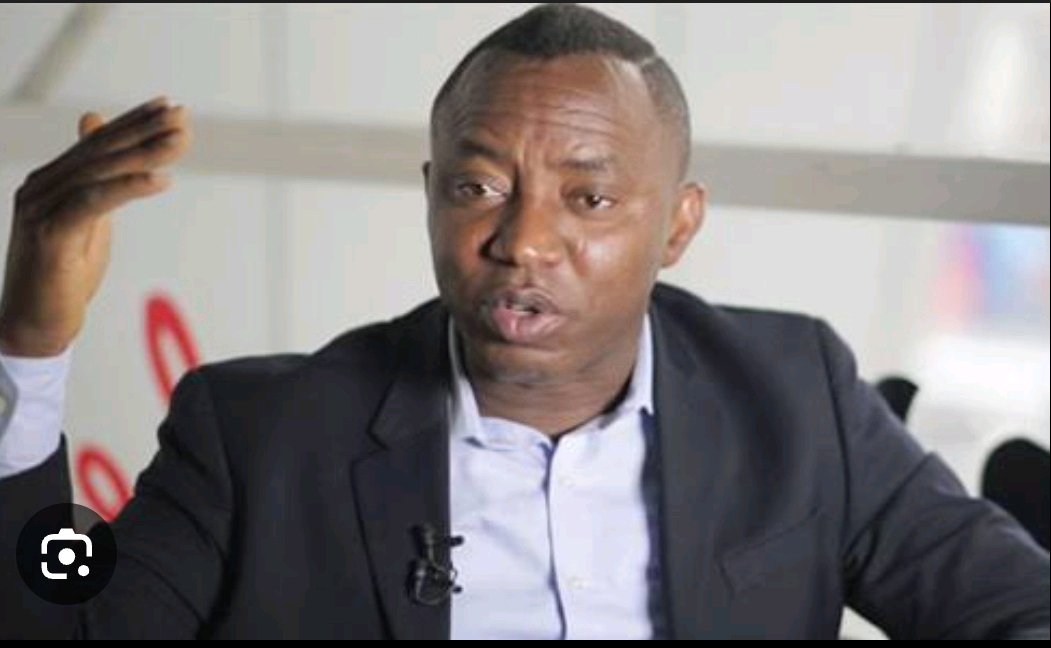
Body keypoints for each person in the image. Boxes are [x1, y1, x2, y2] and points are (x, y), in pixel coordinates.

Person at [0, 3, 1047, 640]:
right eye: (478, 188)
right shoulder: (258, 431)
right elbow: (59, 614)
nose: (523, 241)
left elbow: (1014, 608)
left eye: (588, 198)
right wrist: (29, 353)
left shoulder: (794, 394)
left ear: (677, 225)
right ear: (429, 196)